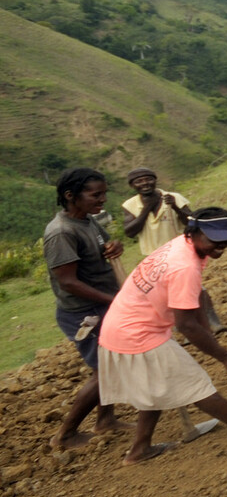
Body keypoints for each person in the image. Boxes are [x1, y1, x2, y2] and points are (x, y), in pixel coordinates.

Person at [98, 207, 227, 465]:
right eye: (215, 240)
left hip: (125, 325)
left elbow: (195, 295)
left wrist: (207, 333)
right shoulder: (184, 266)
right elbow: (185, 326)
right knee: (193, 382)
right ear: (195, 231)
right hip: (136, 333)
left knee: (157, 387)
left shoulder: (186, 245)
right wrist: (225, 356)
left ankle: (139, 450)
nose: (221, 247)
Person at [42, 168, 130, 450]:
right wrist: (113, 301)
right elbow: (67, 282)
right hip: (84, 313)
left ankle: (105, 419)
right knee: (105, 371)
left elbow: (104, 247)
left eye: (104, 193)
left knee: (111, 365)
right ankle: (65, 435)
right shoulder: (60, 233)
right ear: (71, 196)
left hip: (102, 303)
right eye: (96, 194)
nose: (103, 199)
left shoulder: (88, 221)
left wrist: (114, 246)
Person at [121, 166, 227, 333]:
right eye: (139, 181)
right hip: (154, 257)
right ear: (132, 185)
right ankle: (184, 328)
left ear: (155, 180)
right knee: (167, 294)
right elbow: (129, 232)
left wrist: (176, 208)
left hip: (180, 252)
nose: (145, 183)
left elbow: (192, 223)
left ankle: (212, 322)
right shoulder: (130, 205)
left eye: (148, 179)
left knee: (196, 288)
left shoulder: (174, 197)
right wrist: (147, 208)